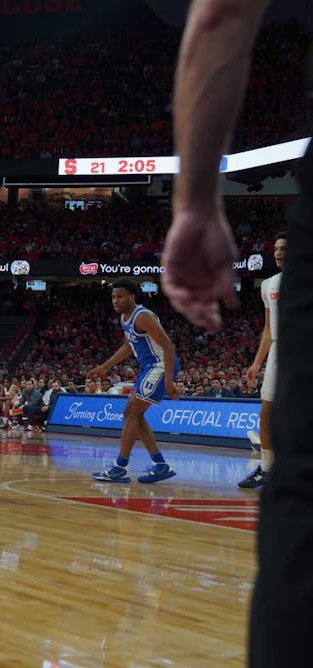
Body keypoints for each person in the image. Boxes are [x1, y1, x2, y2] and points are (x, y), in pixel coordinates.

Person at [160, 2, 312, 663]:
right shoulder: (267, 286)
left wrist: (194, 200)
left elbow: (221, 16)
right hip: (274, 353)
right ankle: (263, 461)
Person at [88, 280, 180, 483]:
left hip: (160, 365)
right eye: (113, 297)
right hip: (148, 367)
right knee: (135, 416)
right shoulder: (124, 318)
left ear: (132, 297)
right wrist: (105, 366)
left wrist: (168, 381)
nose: (115, 300)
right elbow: (129, 346)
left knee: (130, 412)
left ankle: (120, 467)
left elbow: (169, 347)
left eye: (120, 296)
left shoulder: (143, 316)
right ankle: (160, 465)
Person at [238, 231, 285, 489]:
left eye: (285, 248)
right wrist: (257, 363)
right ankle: (266, 467)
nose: (279, 252)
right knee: (266, 411)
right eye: (276, 248)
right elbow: (268, 329)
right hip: (278, 349)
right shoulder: (268, 285)